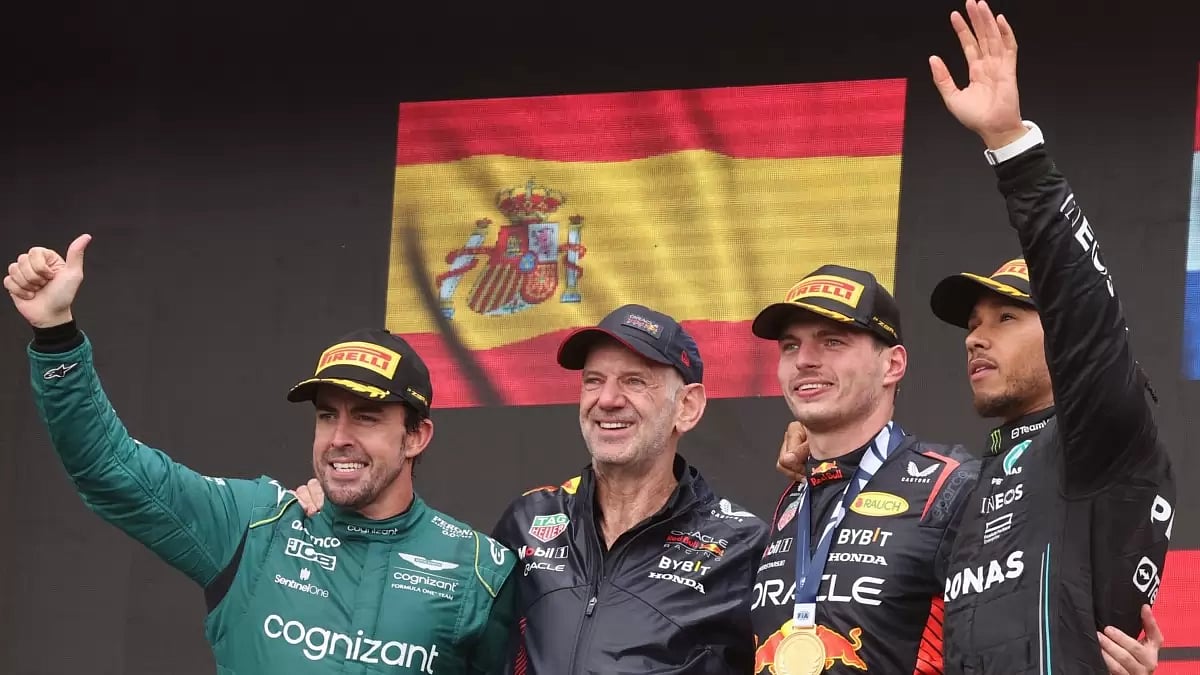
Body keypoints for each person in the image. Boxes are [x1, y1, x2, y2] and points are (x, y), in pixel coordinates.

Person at [778, 3, 1175, 673]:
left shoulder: (1103, 437)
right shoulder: (971, 483)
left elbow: (1084, 306)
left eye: (1007, 318)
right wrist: (819, 459)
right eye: (971, 326)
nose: (976, 339)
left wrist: (1013, 146)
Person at [3, 234, 518, 674]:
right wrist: (56, 335)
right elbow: (109, 468)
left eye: (366, 417)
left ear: (416, 436)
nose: (339, 437)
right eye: (326, 415)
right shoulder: (254, 526)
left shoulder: (479, 569)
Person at [296, 304, 770, 674]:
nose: (607, 399)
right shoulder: (528, 520)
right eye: (593, 381)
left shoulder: (742, 546)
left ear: (687, 407)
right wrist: (334, 515)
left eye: (634, 381)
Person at [747, 264, 981, 674]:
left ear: (892, 364)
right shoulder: (796, 494)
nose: (804, 360)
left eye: (832, 342)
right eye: (790, 346)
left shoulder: (952, 485)